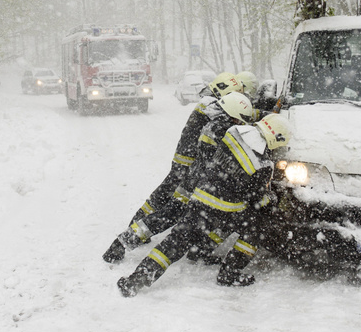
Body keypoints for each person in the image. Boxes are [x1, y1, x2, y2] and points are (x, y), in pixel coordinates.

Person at [116, 113, 292, 297]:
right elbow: (254, 198)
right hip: (227, 210)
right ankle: (229, 273)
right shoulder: (263, 164)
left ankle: (136, 279)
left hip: (200, 198)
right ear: (275, 137)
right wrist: (270, 199)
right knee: (254, 229)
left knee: (175, 241)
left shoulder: (234, 132)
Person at [102, 72, 244, 263]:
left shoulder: (210, 104)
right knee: (170, 207)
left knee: (168, 205)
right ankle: (128, 235)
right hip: (189, 166)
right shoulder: (213, 109)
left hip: (190, 166)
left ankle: (128, 235)